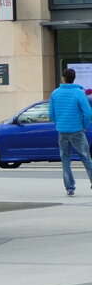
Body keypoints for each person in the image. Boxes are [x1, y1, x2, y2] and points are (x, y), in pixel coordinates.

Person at [49, 68, 92, 196]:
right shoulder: (79, 93)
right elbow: (88, 112)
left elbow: (51, 114)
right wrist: (84, 126)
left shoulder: (55, 93)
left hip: (62, 131)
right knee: (86, 158)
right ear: (74, 78)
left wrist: (59, 124)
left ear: (63, 78)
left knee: (65, 160)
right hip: (77, 131)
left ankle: (70, 188)